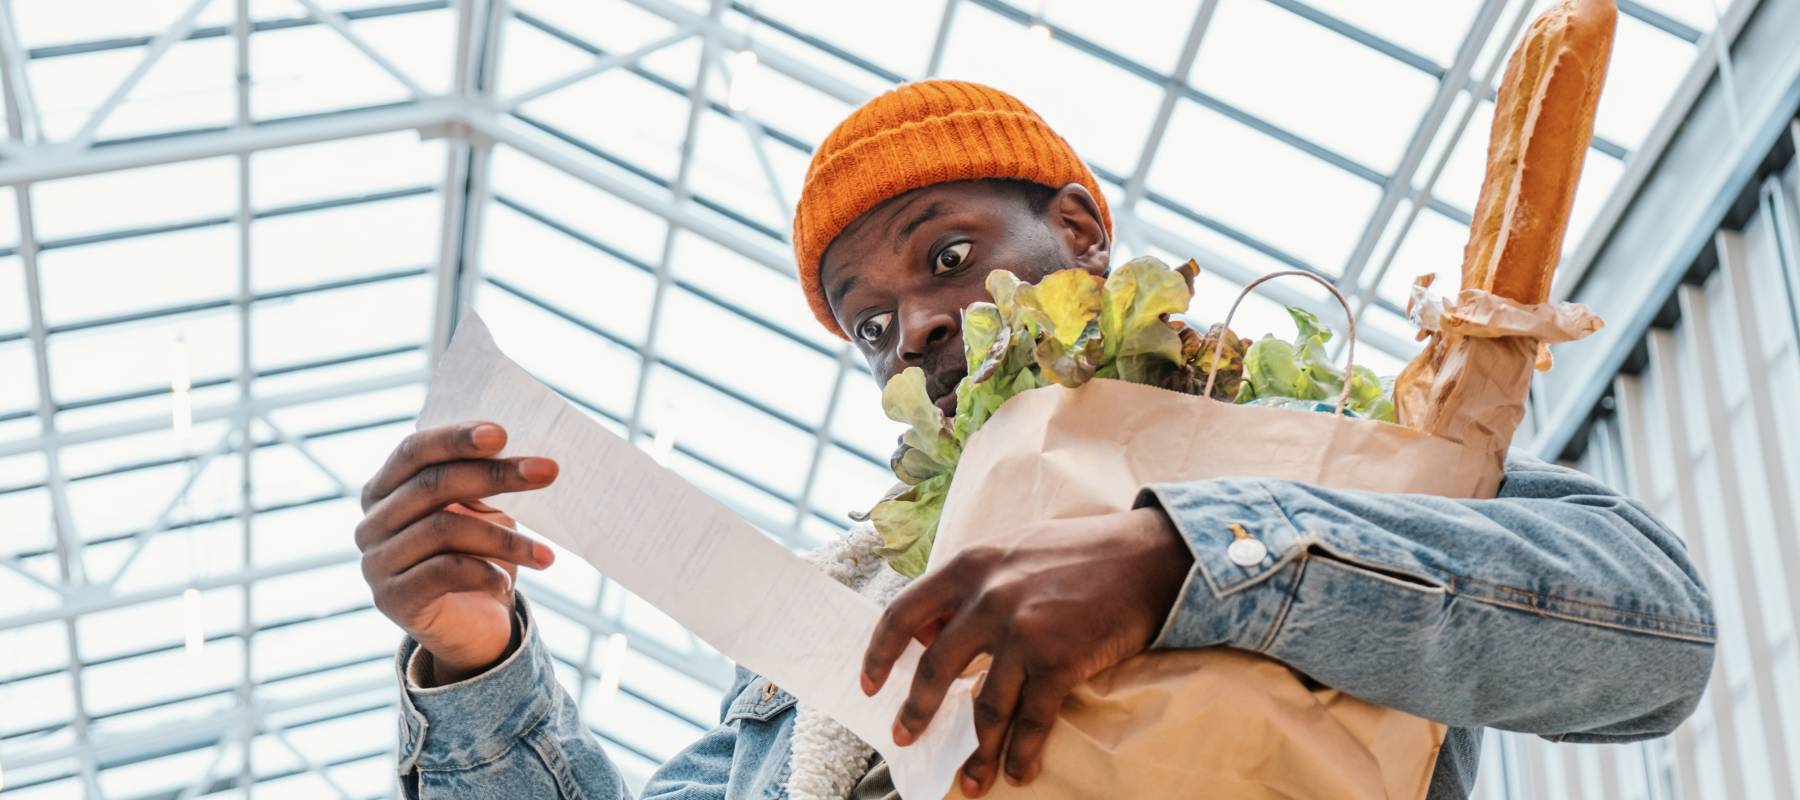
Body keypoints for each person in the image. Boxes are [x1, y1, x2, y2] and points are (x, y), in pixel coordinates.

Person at [354, 81, 1713, 799]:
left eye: (945, 257)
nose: (917, 332)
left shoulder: (1298, 453)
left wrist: (1178, 564)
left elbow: (1654, 632)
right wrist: (476, 657)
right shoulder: (841, 617)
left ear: (1078, 232)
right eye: (869, 328)